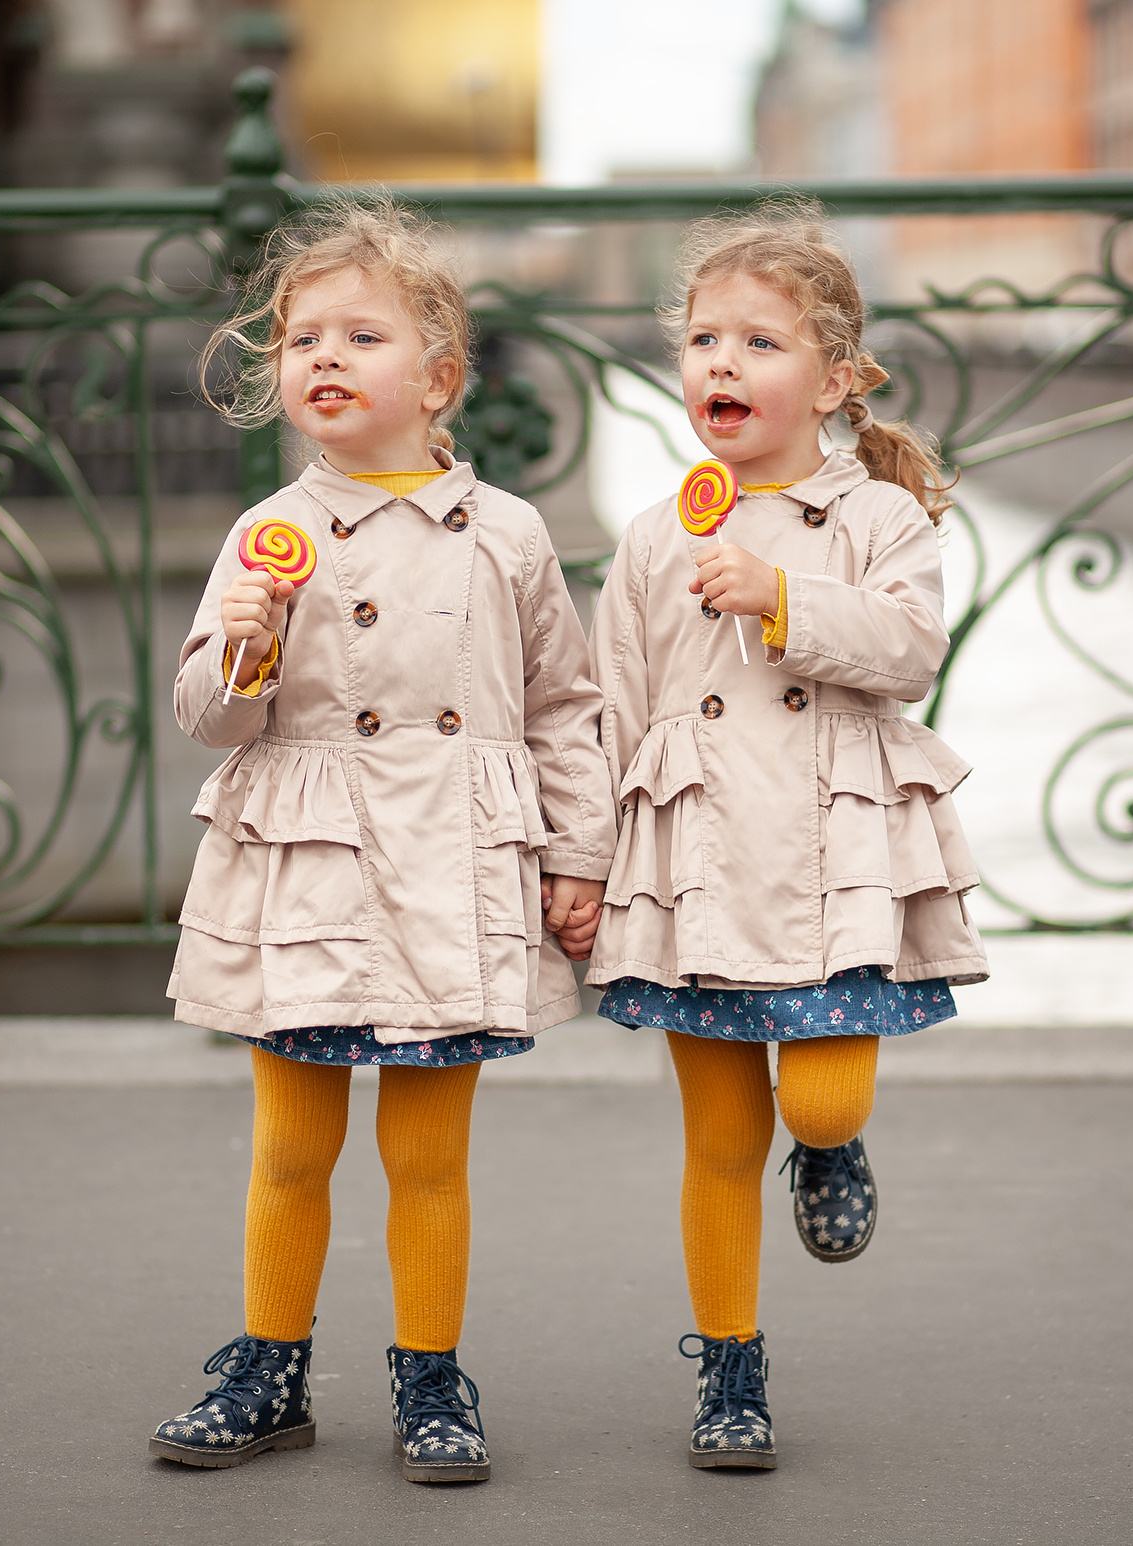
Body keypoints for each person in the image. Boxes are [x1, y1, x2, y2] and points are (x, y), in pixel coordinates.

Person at [148, 196, 614, 1482]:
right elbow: (208, 717)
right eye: (302, 339)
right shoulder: (263, 536)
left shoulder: (507, 534)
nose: (325, 358)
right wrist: (247, 636)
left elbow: (567, 706)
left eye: (362, 334)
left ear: (440, 376)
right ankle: (268, 1365)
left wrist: (577, 858)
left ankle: (428, 1375)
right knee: (291, 1146)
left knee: (426, 1153)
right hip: (307, 866)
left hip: (449, 868)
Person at [577, 201, 989, 1469]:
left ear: (836, 380)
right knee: (716, 1137)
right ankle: (731, 1366)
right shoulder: (655, 535)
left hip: (833, 858)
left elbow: (910, 652)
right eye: (704, 339)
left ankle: (834, 1145)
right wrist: (586, 866)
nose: (722, 363)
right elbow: (609, 706)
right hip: (693, 868)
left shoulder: (877, 519)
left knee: (815, 1098)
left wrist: (784, 597)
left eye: (760, 343)